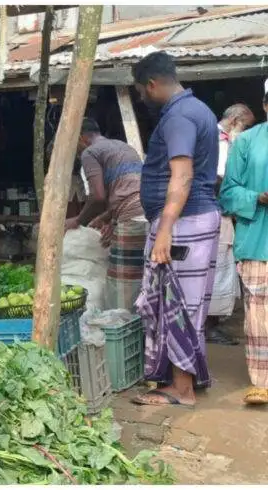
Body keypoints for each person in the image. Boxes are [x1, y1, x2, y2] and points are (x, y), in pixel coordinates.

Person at [129, 51, 220, 408]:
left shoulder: (179, 116)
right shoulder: (198, 110)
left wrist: (165, 229)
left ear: (151, 84)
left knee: (177, 303)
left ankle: (182, 390)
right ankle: (184, 378)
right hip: (195, 220)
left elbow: (181, 177)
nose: (142, 98)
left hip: (185, 223)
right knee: (186, 301)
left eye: (140, 91)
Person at [65, 118, 147, 311]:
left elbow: (98, 196)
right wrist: (109, 218)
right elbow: (129, 188)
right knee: (140, 274)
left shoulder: (90, 152)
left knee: (121, 281)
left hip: (131, 215)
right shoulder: (122, 147)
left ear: (80, 137)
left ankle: (120, 328)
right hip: (147, 214)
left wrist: (78, 220)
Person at [220, 92, 268, 405]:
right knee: (259, 316)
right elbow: (228, 193)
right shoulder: (247, 141)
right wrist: (256, 198)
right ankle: (262, 382)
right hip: (257, 240)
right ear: (265, 105)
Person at [207, 104, 255, 345]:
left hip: (221, 213)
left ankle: (211, 325)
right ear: (235, 120)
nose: (246, 131)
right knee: (218, 270)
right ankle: (209, 327)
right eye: (245, 126)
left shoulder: (222, 139)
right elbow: (219, 178)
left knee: (221, 269)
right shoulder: (218, 141)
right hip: (215, 213)